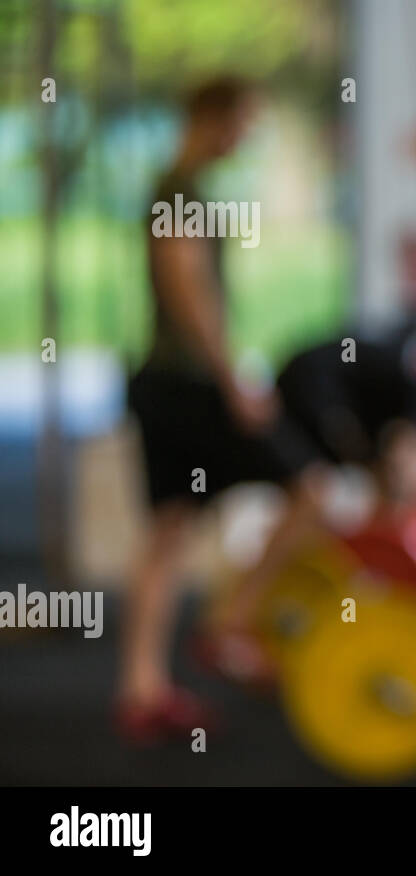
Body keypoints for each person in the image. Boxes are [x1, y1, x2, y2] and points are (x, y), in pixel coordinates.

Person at [119, 76, 330, 743]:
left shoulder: (179, 186)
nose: (246, 135)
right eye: (242, 121)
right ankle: (228, 624)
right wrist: (233, 377)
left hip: (165, 384)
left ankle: (142, 690)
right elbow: (189, 292)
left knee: (169, 533)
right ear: (210, 116)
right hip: (187, 387)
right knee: (313, 490)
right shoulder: (178, 193)